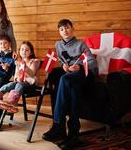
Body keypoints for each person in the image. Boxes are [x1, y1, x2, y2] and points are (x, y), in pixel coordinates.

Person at [42, 19, 99, 150]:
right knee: (73, 88)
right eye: (61, 29)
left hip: (83, 74)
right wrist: (63, 66)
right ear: (59, 32)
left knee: (65, 80)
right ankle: (72, 133)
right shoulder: (58, 45)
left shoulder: (81, 44)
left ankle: (58, 124)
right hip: (71, 78)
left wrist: (79, 66)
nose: (65, 31)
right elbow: (59, 61)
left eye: (67, 28)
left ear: (72, 29)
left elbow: (92, 62)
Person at [0, 41, 40, 114]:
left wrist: (24, 66)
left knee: (19, 85)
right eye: (22, 49)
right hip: (20, 82)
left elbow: (32, 73)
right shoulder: (18, 62)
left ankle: (11, 103)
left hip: (31, 83)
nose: (24, 52)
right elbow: (16, 75)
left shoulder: (35, 61)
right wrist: (17, 78)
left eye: (27, 50)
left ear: (31, 52)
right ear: (19, 51)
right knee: (8, 85)